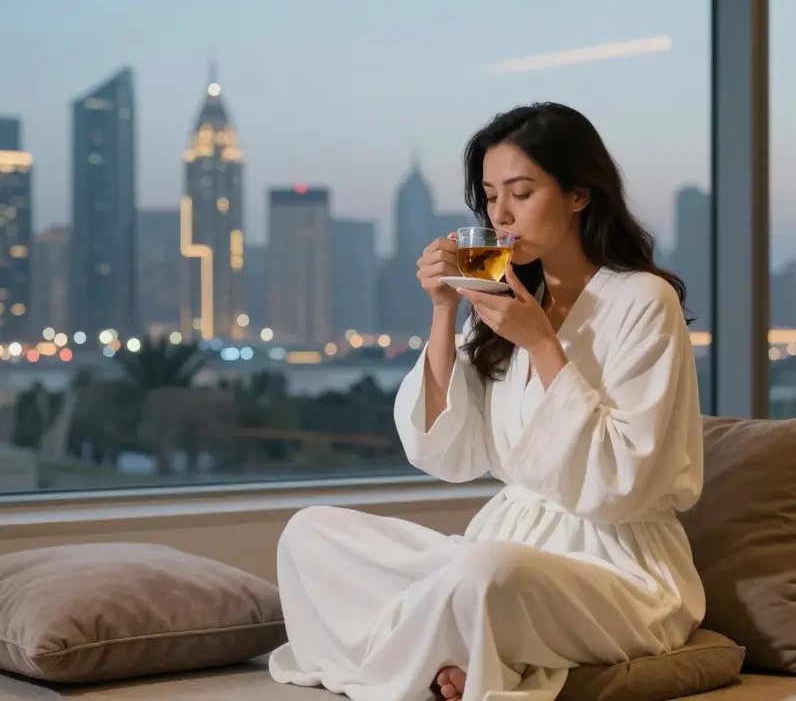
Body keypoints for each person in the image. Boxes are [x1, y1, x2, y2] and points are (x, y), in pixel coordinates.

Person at [267, 102, 706, 701]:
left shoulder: (642, 301)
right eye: (490, 195)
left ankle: (440, 653)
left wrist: (543, 342)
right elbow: (448, 454)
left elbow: (624, 480)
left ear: (579, 194)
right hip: (501, 546)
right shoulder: (501, 303)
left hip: (618, 567)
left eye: (521, 193)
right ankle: (457, 650)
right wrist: (446, 309)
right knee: (310, 534)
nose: (500, 214)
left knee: (484, 574)